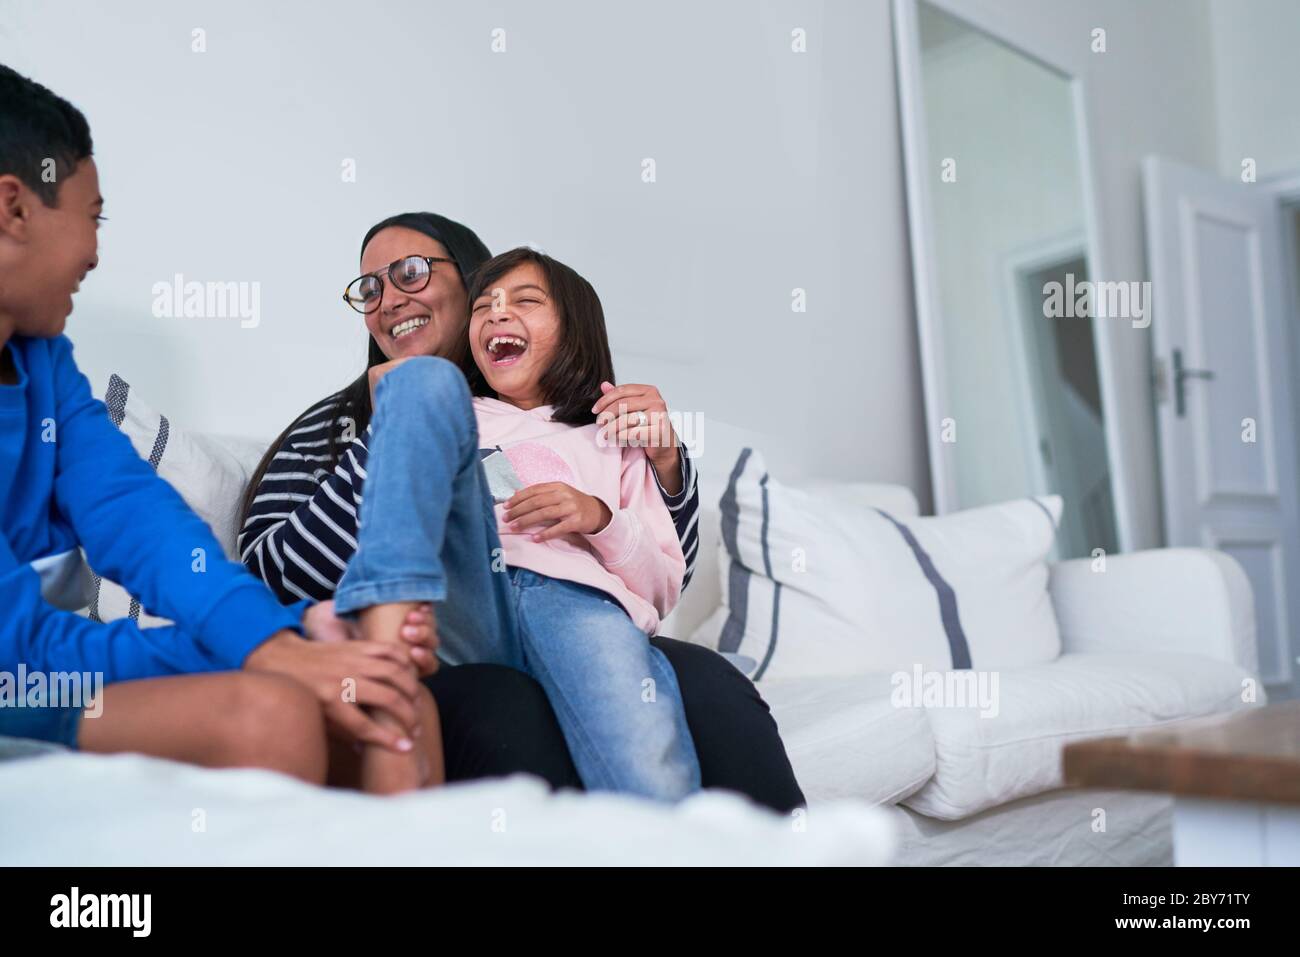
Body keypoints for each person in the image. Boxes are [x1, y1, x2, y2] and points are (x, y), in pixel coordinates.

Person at [239, 212, 806, 810]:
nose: (386, 299)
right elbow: (269, 574)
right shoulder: (338, 422)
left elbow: (661, 573)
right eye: (371, 288)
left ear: (468, 277)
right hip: (442, 631)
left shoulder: (591, 426)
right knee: (506, 703)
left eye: (409, 272)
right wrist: (399, 427)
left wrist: (663, 460)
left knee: (709, 681)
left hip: (570, 607)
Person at [0, 65, 440, 792]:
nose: (95, 251)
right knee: (268, 713)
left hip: (38, 671)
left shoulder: (43, 365)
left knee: (393, 696)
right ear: (14, 209)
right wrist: (273, 647)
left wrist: (282, 634)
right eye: (93, 215)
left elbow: (137, 517)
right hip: (20, 677)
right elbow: (17, 658)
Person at [334, 246, 699, 799]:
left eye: (525, 301)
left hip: (572, 598)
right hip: (464, 595)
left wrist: (599, 519)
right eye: (483, 306)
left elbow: (662, 585)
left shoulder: (613, 434)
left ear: (576, 330)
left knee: (635, 725)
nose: (497, 314)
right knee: (419, 385)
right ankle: (376, 626)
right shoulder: (455, 412)